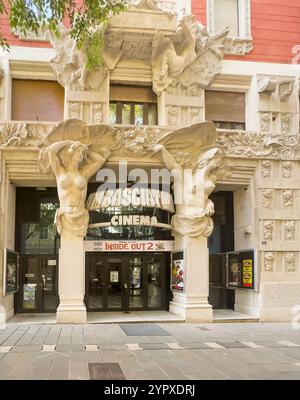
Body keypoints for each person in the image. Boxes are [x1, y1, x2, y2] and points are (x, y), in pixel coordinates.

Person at [47, 140, 110, 237]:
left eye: (82, 153)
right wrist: (68, 142)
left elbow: (100, 160)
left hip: (80, 214)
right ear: (71, 152)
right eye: (78, 151)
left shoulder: (84, 173)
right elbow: (51, 150)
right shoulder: (60, 171)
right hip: (64, 215)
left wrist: (86, 150)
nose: (81, 154)